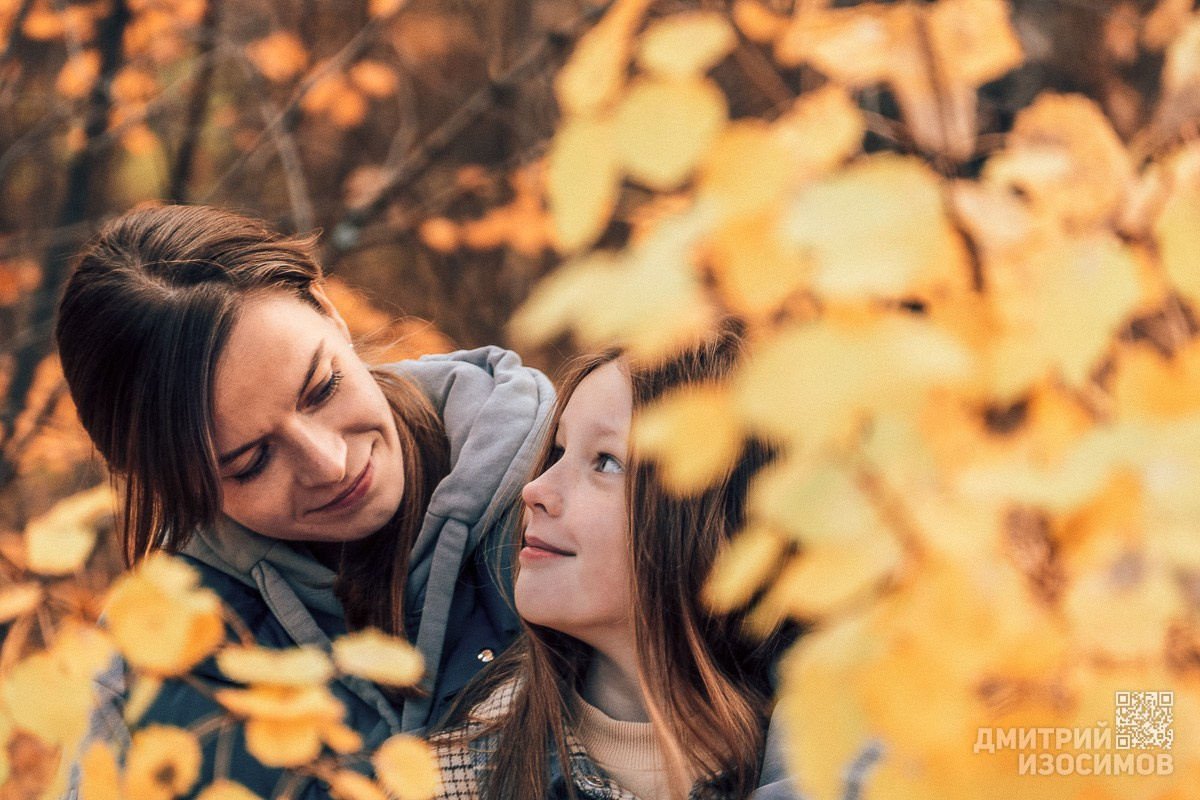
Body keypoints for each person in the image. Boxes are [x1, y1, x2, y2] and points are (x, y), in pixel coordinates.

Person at [54, 204, 554, 798]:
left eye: (323, 388)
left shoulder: (575, 488)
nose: (330, 464)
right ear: (169, 484)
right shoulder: (157, 663)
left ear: (329, 312)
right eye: (251, 462)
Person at [431, 329, 791, 799]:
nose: (535, 489)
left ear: (715, 516)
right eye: (557, 451)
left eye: (606, 462)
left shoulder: (845, 745)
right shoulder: (452, 779)